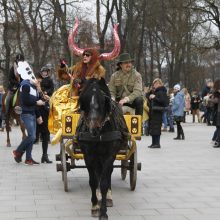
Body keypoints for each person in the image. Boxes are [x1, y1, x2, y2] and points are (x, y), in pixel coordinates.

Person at [12, 61, 46, 165]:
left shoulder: (34, 87)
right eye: (38, 80)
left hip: (32, 113)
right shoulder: (25, 85)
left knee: (32, 137)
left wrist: (38, 115)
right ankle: (18, 151)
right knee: (32, 136)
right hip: (26, 114)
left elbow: (36, 102)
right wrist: (37, 102)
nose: (39, 82)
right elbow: (25, 101)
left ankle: (28, 158)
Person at [36, 65, 54, 163]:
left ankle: (45, 155)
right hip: (37, 106)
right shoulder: (37, 80)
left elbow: (52, 89)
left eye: (46, 72)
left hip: (46, 106)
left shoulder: (50, 80)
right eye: (43, 71)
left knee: (46, 133)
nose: (44, 73)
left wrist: (46, 92)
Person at [2, 54, 24, 127]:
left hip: (23, 86)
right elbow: (10, 79)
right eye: (18, 60)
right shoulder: (12, 68)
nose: (19, 61)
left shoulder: (25, 69)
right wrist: (17, 83)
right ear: (16, 60)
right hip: (13, 87)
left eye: (20, 60)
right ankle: (6, 114)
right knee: (8, 99)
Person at [147, 78, 168, 148]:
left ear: (159, 84)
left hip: (157, 112)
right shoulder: (156, 91)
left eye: (155, 83)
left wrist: (154, 97)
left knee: (156, 128)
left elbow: (163, 101)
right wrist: (150, 94)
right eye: (153, 84)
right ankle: (153, 143)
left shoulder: (161, 91)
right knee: (153, 128)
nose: (154, 85)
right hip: (153, 112)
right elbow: (148, 98)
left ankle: (157, 143)